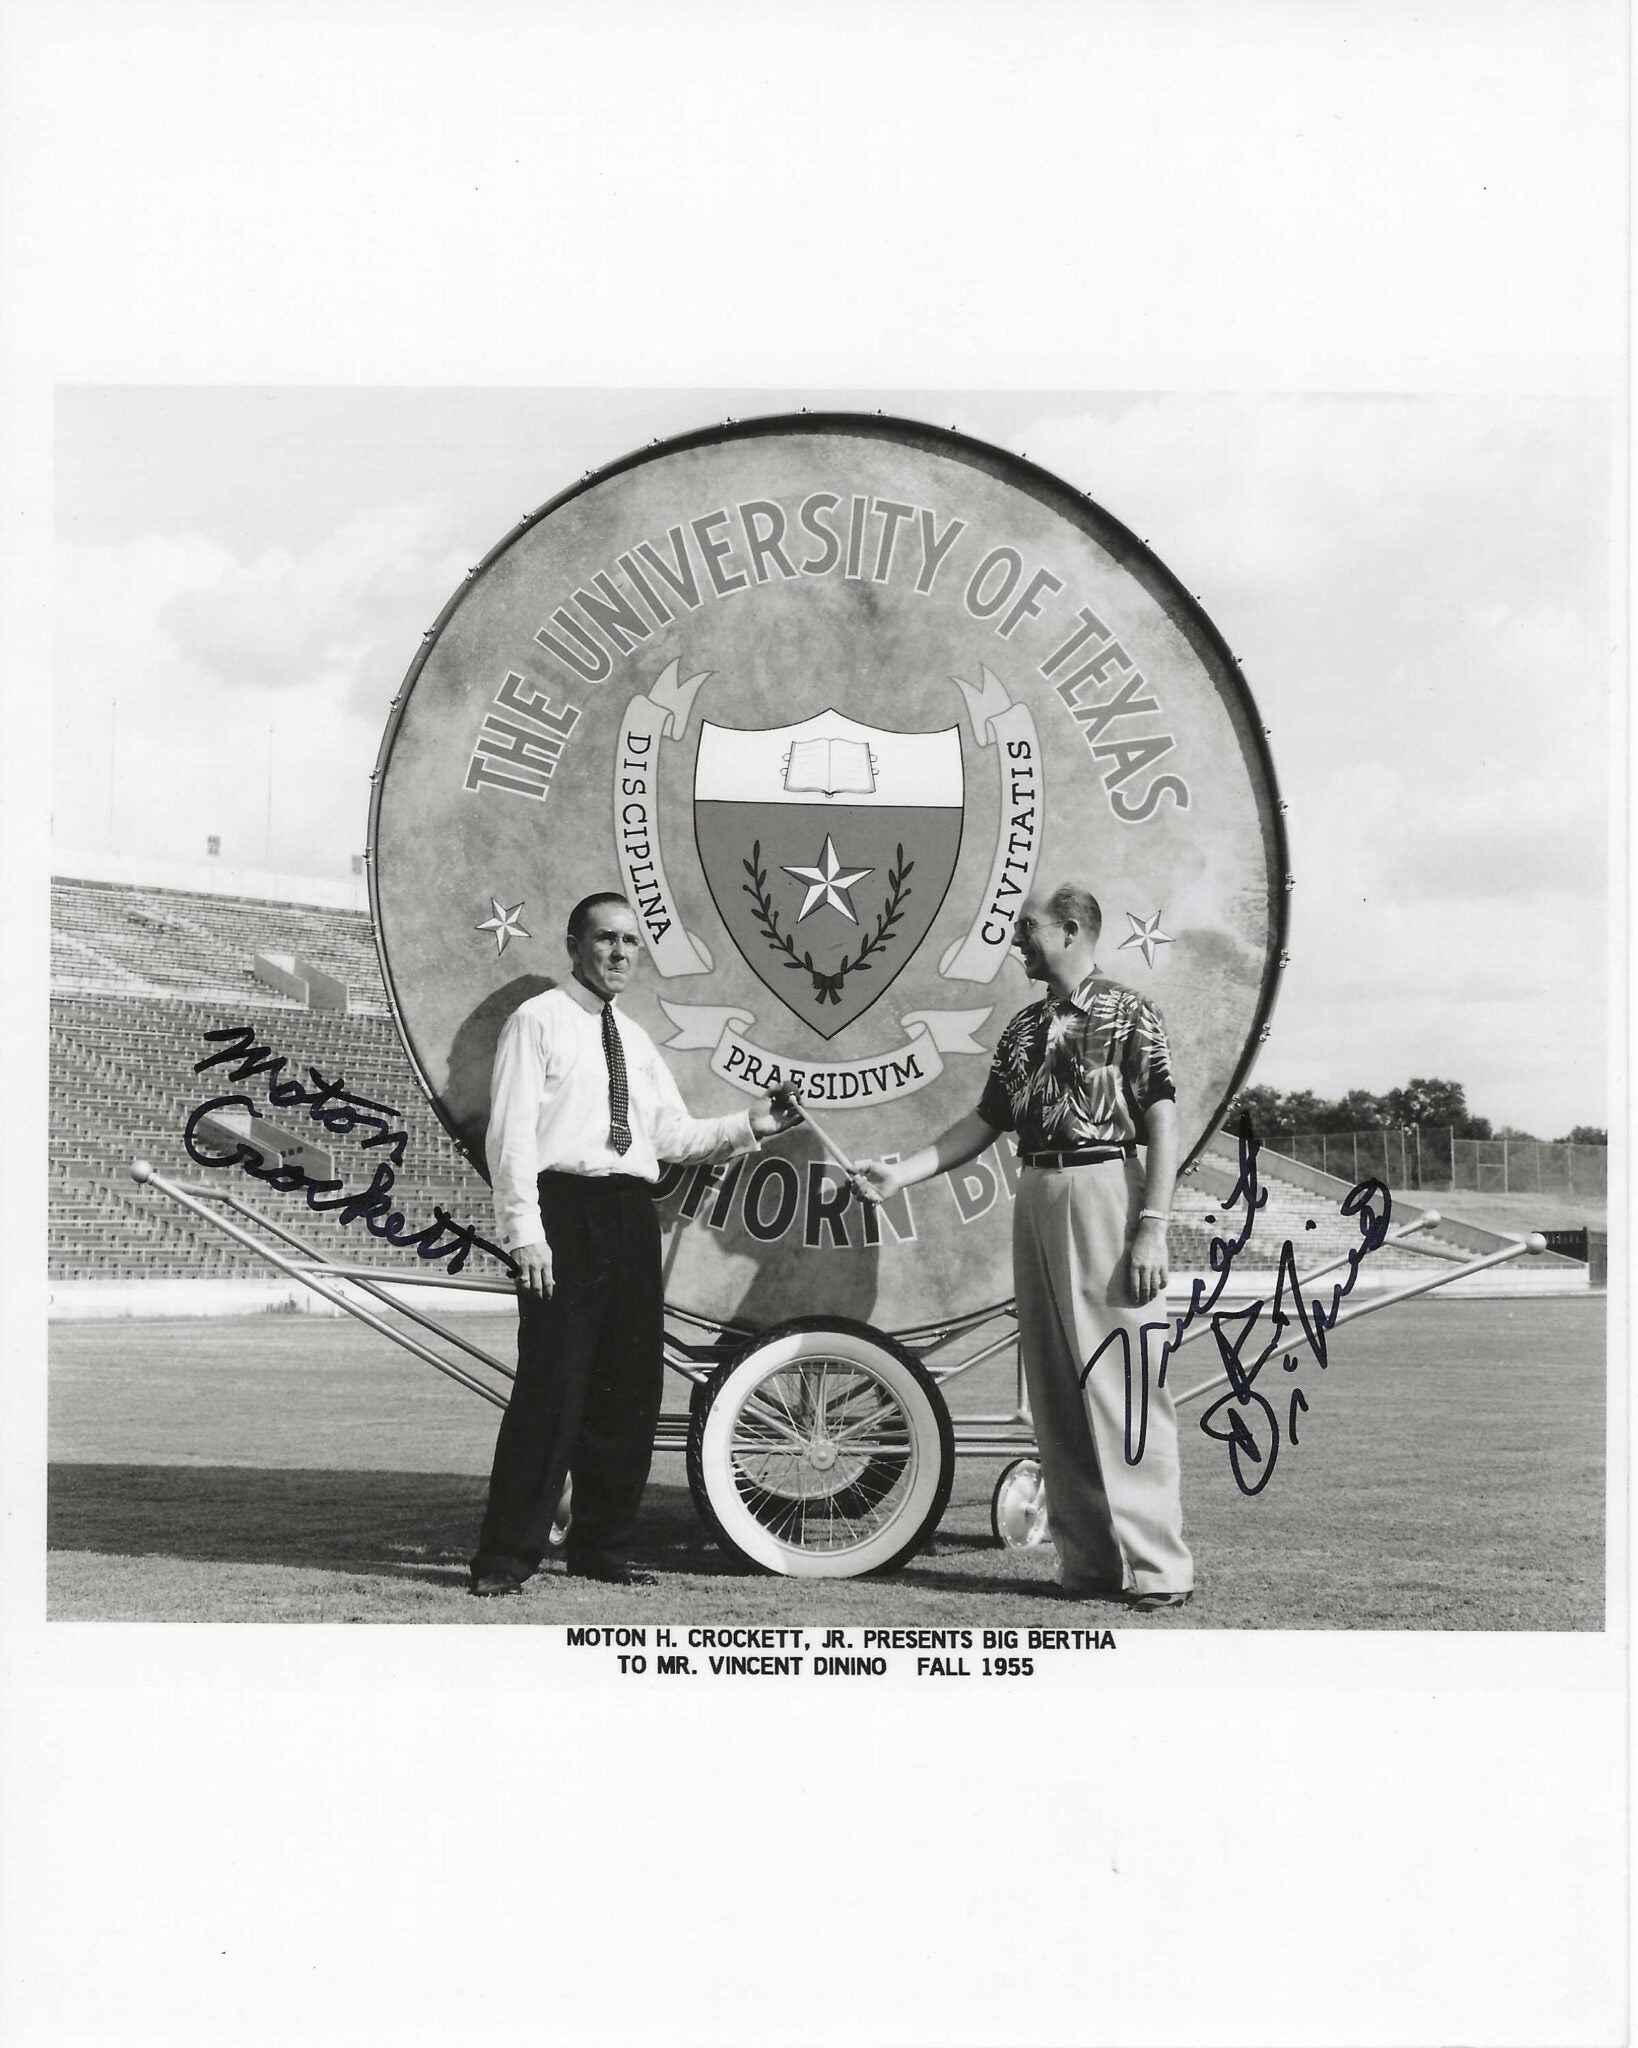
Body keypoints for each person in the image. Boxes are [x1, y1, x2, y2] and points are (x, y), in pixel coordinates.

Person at [855, 882, 1194, 1611]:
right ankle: (1090, 1565)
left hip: (1105, 1186)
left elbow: (1163, 1119)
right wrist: (900, 1172)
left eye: (1028, 928)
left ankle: (1161, 1569)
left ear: (1071, 932)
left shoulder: (1130, 1012)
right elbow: (982, 1124)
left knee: (1123, 1383)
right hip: (1036, 1191)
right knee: (1056, 1388)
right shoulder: (1021, 1028)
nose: (1016, 940)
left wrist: (1154, 1225)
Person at [470, 891, 800, 1595]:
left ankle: (601, 1548)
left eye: (630, 941)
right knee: (552, 1388)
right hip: (564, 1211)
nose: (620, 953)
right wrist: (524, 1232)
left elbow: (673, 1137)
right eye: (605, 940)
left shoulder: (637, 1041)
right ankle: (505, 1557)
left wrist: (754, 1123)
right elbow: (512, 1135)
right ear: (573, 945)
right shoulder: (539, 1021)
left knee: (628, 1393)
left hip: (629, 1213)